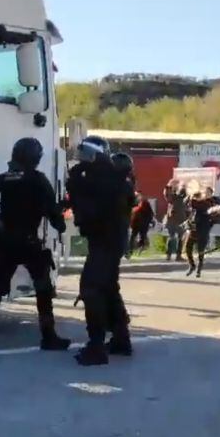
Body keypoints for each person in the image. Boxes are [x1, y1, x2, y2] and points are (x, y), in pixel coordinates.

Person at [0, 137, 70, 351]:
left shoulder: (10, 177)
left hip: (6, 241)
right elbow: (55, 217)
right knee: (43, 289)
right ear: (35, 158)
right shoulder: (39, 181)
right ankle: (49, 336)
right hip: (29, 243)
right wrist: (60, 215)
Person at [66, 135, 133, 366]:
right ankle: (121, 339)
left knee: (91, 289)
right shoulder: (104, 176)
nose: (81, 159)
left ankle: (96, 346)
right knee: (109, 288)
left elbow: (91, 207)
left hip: (105, 241)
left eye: (85, 154)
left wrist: (75, 182)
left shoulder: (103, 178)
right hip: (108, 241)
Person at [187, 187, 220, 277]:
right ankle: (192, 265)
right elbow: (190, 204)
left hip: (203, 229)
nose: (205, 194)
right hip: (194, 228)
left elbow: (216, 215)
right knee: (188, 247)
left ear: (211, 194)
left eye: (208, 193)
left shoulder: (210, 203)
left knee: (200, 250)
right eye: (204, 192)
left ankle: (199, 269)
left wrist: (211, 223)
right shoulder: (198, 200)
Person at [112, 152, 138, 259]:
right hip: (122, 215)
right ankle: (125, 252)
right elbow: (133, 202)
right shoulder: (127, 184)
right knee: (123, 232)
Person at [163, 181, 189, 262]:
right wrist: (169, 185)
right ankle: (169, 255)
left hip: (181, 220)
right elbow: (166, 194)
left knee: (180, 238)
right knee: (172, 237)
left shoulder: (184, 197)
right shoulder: (173, 196)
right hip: (172, 220)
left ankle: (178, 255)